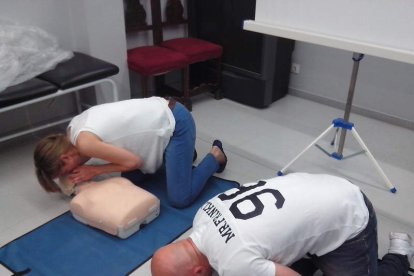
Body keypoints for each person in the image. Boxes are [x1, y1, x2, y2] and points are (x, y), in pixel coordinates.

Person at [151, 172, 413, 276]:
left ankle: (400, 255)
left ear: (197, 273)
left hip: (349, 214)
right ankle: (315, 255)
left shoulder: (234, 263)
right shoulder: (202, 215)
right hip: (321, 189)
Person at [33, 96, 227, 208]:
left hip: (176, 123)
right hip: (158, 116)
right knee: (130, 185)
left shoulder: (84, 143)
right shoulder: (70, 132)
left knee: (180, 198)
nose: (68, 175)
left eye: (64, 171)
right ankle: (183, 155)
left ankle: (215, 156)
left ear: (65, 157)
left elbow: (134, 162)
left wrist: (94, 171)